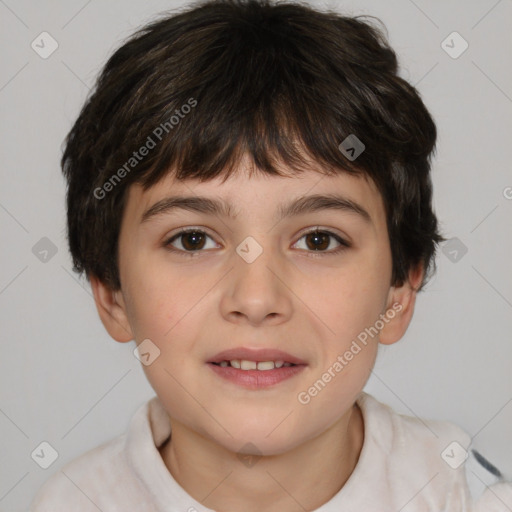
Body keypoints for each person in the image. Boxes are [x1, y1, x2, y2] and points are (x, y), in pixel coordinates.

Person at [30, 0, 512, 510]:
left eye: (319, 240)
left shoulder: (464, 497)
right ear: (111, 293)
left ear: (398, 292)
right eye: (193, 240)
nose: (256, 300)